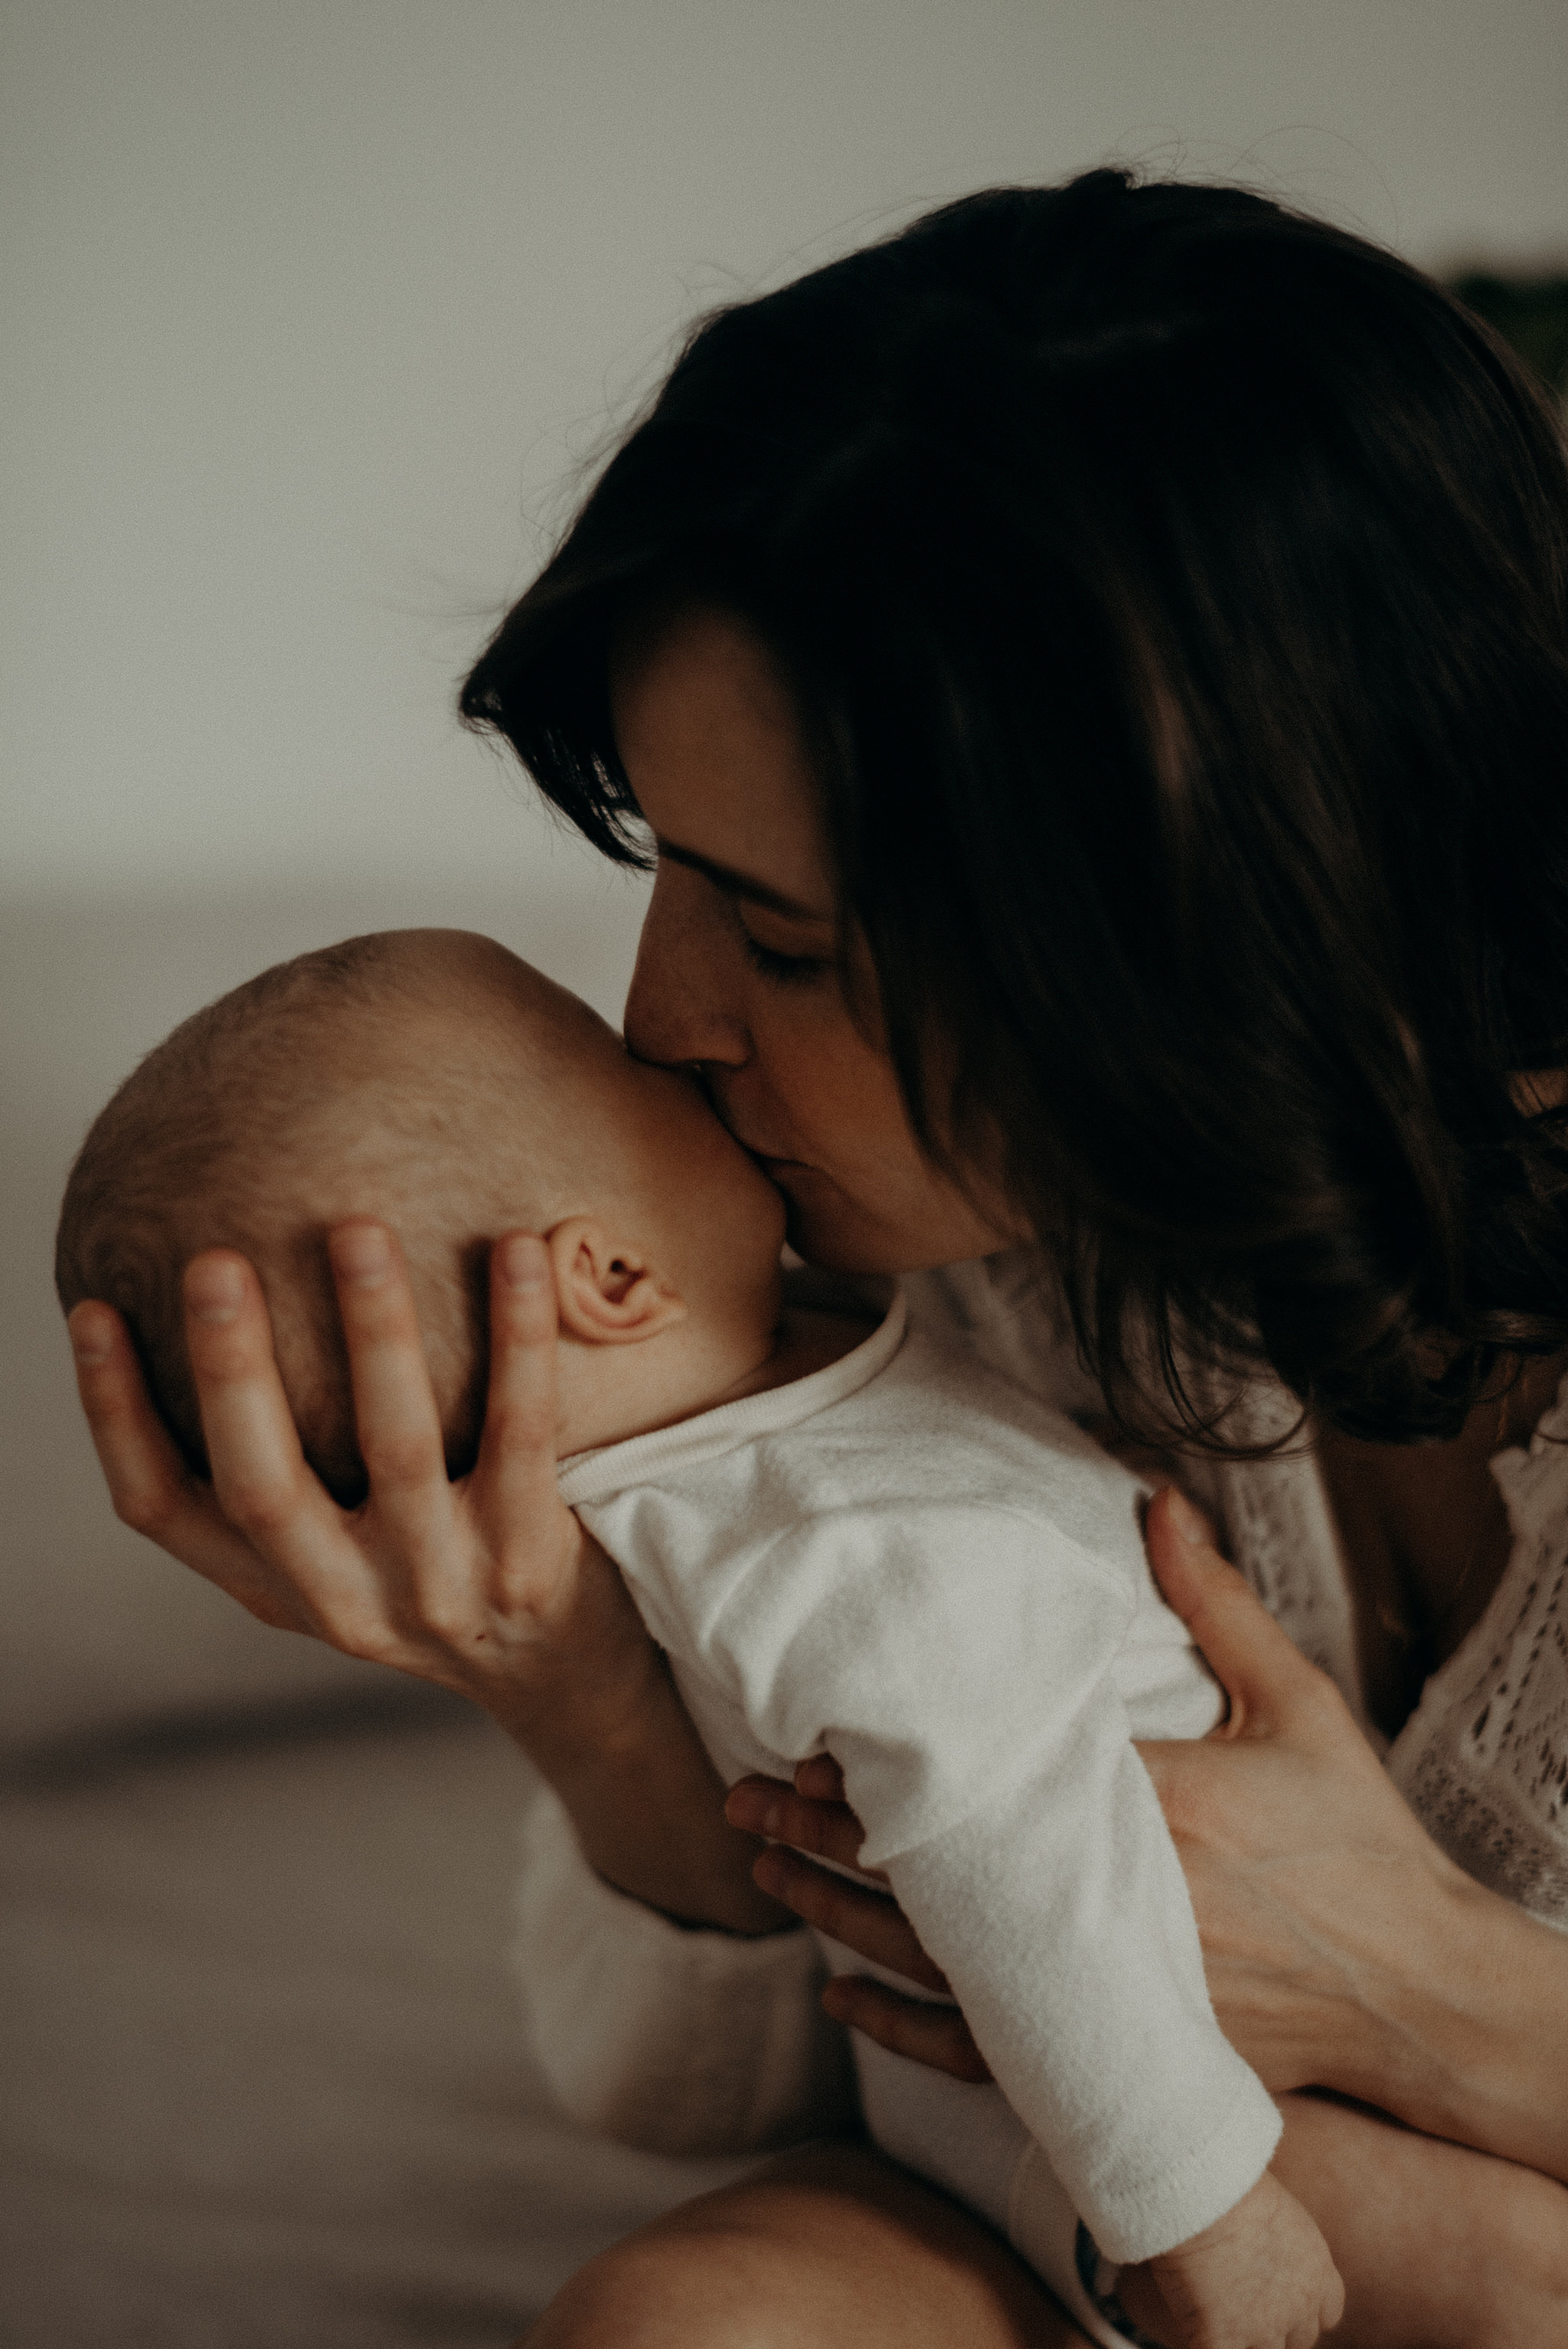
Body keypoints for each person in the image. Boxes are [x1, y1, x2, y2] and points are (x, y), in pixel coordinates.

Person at [64, 168, 1568, 2347]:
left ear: (1212, 931)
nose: (664, 1019)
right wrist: (573, 1673)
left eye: (783, 938)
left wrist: (1417, 1988)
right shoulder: (938, 1264)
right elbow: (714, 2084)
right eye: (676, 874)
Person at [54, 923, 1341, 2347]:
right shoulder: (841, 1548)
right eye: (622, 1069)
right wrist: (1194, 2201)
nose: (668, 1033)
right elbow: (1029, 1853)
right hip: (1166, 2136)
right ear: (609, 1279)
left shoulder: (768, 1408)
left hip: (1077, 2118)